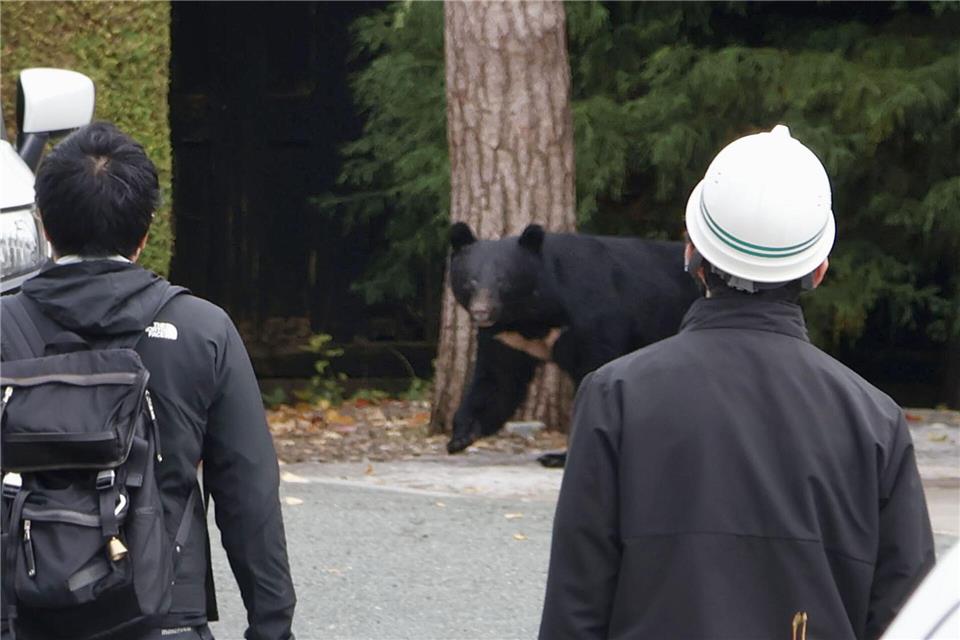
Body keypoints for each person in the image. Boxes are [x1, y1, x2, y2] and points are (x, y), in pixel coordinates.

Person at [539, 125, 935, 640]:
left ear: (691, 253)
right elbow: (909, 621)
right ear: (818, 269)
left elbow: (576, 608)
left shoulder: (615, 396)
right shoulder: (874, 420)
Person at [1, 122, 296, 639]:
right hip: (163, 615)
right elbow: (249, 496)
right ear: (145, 231)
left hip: (19, 615)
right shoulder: (203, 330)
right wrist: (272, 628)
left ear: (44, 225)